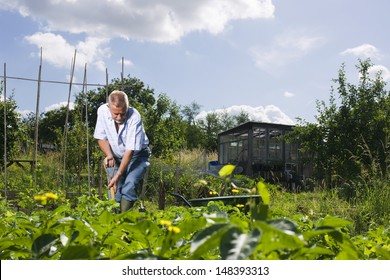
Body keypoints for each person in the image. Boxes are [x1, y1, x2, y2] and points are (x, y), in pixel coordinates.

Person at [94, 90, 151, 212]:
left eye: (123, 113)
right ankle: (114, 220)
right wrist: (109, 154)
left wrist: (118, 175)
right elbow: (100, 137)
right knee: (114, 188)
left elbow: (129, 151)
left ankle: (123, 219)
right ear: (109, 107)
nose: (119, 117)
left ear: (127, 107)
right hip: (115, 155)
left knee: (130, 184)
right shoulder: (102, 111)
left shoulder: (134, 117)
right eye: (115, 114)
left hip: (137, 155)